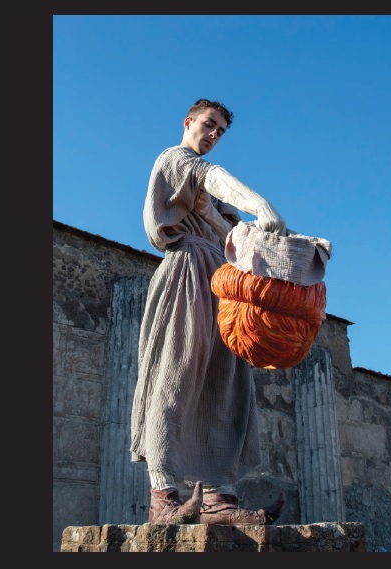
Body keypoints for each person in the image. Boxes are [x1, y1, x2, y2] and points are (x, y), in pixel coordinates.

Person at [129, 98, 286, 525]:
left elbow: (234, 235)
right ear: (188, 122)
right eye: (209, 124)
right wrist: (261, 204)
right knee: (174, 372)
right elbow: (210, 176)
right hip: (186, 270)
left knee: (227, 382)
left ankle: (219, 499)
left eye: (221, 131)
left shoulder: (209, 194)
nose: (214, 134)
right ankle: (162, 497)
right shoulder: (176, 159)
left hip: (223, 281)